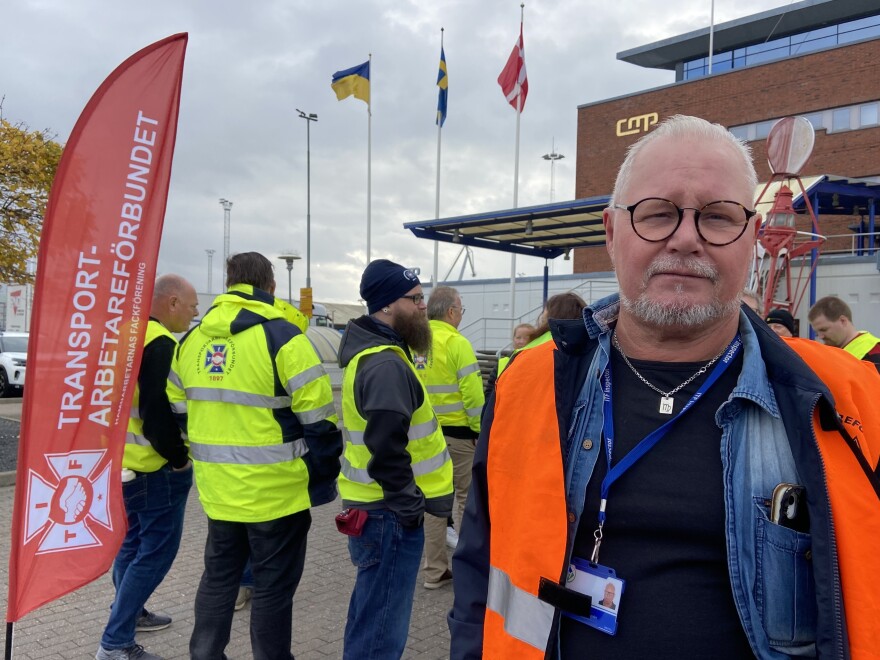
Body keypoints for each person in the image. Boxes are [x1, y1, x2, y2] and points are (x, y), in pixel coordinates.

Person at [449, 115, 880, 659]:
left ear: (750, 240)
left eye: (719, 218)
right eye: (658, 214)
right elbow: (479, 572)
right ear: (610, 232)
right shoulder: (528, 386)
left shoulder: (845, 399)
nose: (685, 238)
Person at [168, 252, 342, 660]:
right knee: (272, 590)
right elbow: (320, 423)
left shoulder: (191, 340)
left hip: (218, 492)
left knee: (218, 579)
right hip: (277, 494)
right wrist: (318, 476)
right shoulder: (285, 338)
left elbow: (178, 411)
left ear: (230, 282)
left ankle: (205, 655)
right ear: (272, 286)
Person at [338, 259, 453, 659]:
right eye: (416, 298)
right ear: (387, 304)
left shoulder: (382, 354)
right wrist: (407, 507)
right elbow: (387, 447)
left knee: (371, 614)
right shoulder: (385, 362)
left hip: (379, 511)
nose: (423, 306)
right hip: (388, 514)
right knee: (381, 630)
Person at [96, 275, 199, 660]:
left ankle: (130, 614)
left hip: (122, 463)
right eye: (191, 307)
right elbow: (157, 411)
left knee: (132, 543)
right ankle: (116, 642)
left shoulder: (122, 335)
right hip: (155, 468)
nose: (194, 314)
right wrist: (178, 457)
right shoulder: (160, 343)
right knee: (156, 552)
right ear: (171, 303)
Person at [415, 286, 484, 589]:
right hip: (459, 437)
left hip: (423, 435)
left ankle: (433, 571)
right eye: (461, 310)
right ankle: (468, 567)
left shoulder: (415, 342)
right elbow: (472, 394)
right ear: (452, 311)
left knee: (432, 500)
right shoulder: (458, 343)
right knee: (467, 499)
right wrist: (479, 431)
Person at [808, 295, 880, 370]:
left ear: (843, 321)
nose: (820, 336)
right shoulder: (835, 351)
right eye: (817, 332)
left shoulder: (873, 352)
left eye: (824, 329)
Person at [483, 323, 534, 399]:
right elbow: (490, 389)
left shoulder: (537, 362)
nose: (521, 341)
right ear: (513, 339)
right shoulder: (503, 362)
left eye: (526, 338)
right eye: (518, 337)